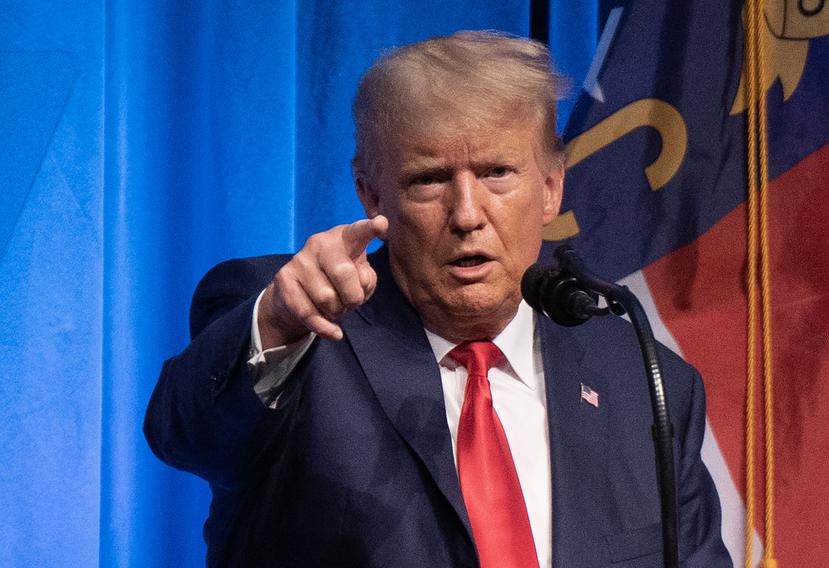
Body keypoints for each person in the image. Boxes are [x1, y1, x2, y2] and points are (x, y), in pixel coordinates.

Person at [145, 31, 732, 567]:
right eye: (428, 179)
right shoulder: (297, 325)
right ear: (371, 192)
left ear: (551, 188)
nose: (468, 215)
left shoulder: (643, 380)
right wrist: (275, 320)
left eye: (498, 172)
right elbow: (184, 434)